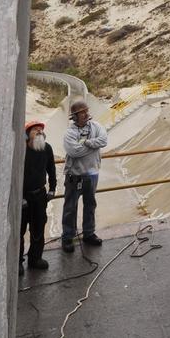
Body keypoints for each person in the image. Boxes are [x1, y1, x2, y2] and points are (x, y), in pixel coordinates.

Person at [62, 100, 108, 253]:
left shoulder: (96, 126)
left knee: (90, 205)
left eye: (86, 111)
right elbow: (73, 152)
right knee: (70, 208)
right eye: (82, 112)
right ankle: (68, 237)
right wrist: (93, 147)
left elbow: (103, 141)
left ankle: (89, 233)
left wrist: (86, 142)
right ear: (74, 116)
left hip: (92, 174)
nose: (85, 114)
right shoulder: (70, 132)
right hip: (74, 176)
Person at [21, 120, 57, 271]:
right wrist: (19, 197)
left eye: (41, 130)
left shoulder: (46, 148)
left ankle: (35, 259)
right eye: (35, 130)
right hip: (22, 197)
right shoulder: (21, 150)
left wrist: (52, 189)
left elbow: (51, 169)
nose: (39, 132)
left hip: (40, 195)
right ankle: (17, 262)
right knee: (19, 230)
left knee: (38, 228)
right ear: (27, 134)